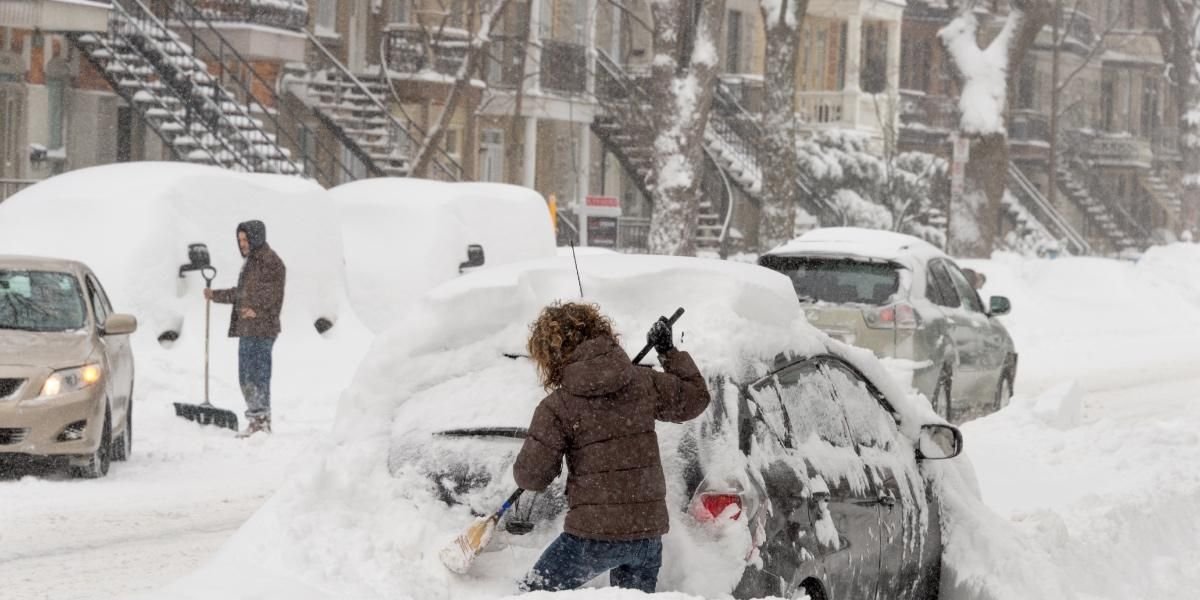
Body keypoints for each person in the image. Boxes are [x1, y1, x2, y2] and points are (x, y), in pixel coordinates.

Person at [513, 302, 711, 593]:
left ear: (551, 355)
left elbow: (531, 477)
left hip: (591, 537)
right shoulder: (643, 383)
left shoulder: (558, 407)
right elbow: (695, 398)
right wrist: (667, 351)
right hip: (646, 535)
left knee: (533, 594)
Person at [204, 220, 286, 437]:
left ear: (256, 237)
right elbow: (242, 294)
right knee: (246, 375)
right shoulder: (252, 262)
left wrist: (257, 310)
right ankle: (256, 418)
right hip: (248, 329)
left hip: (262, 329)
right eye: (239, 240)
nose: (242, 244)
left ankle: (261, 420)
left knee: (258, 375)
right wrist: (216, 295)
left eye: (245, 239)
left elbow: (274, 294)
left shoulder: (271, 262)